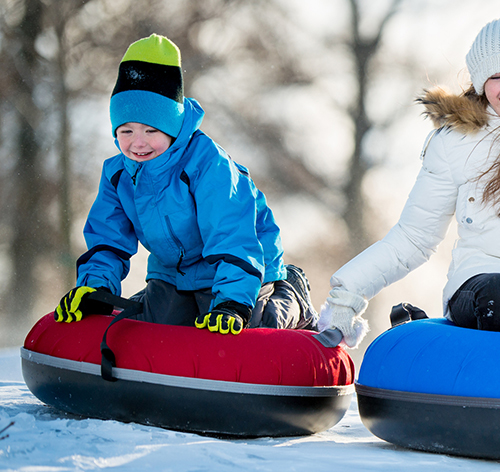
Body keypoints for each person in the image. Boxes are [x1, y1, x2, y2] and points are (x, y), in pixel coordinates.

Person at [315, 16, 500, 348]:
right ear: (479, 79)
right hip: (481, 282)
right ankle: (486, 390)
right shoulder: (456, 140)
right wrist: (348, 294)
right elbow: (414, 238)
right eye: (498, 76)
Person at [54, 34, 317, 335]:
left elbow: (231, 235)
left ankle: (291, 293)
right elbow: (107, 241)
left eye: (151, 130)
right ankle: (150, 303)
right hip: (173, 273)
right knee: (158, 327)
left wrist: (233, 302)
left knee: (247, 326)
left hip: (243, 264)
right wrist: (95, 288)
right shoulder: (117, 174)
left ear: (173, 127)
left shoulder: (208, 166)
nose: (137, 143)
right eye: (126, 131)